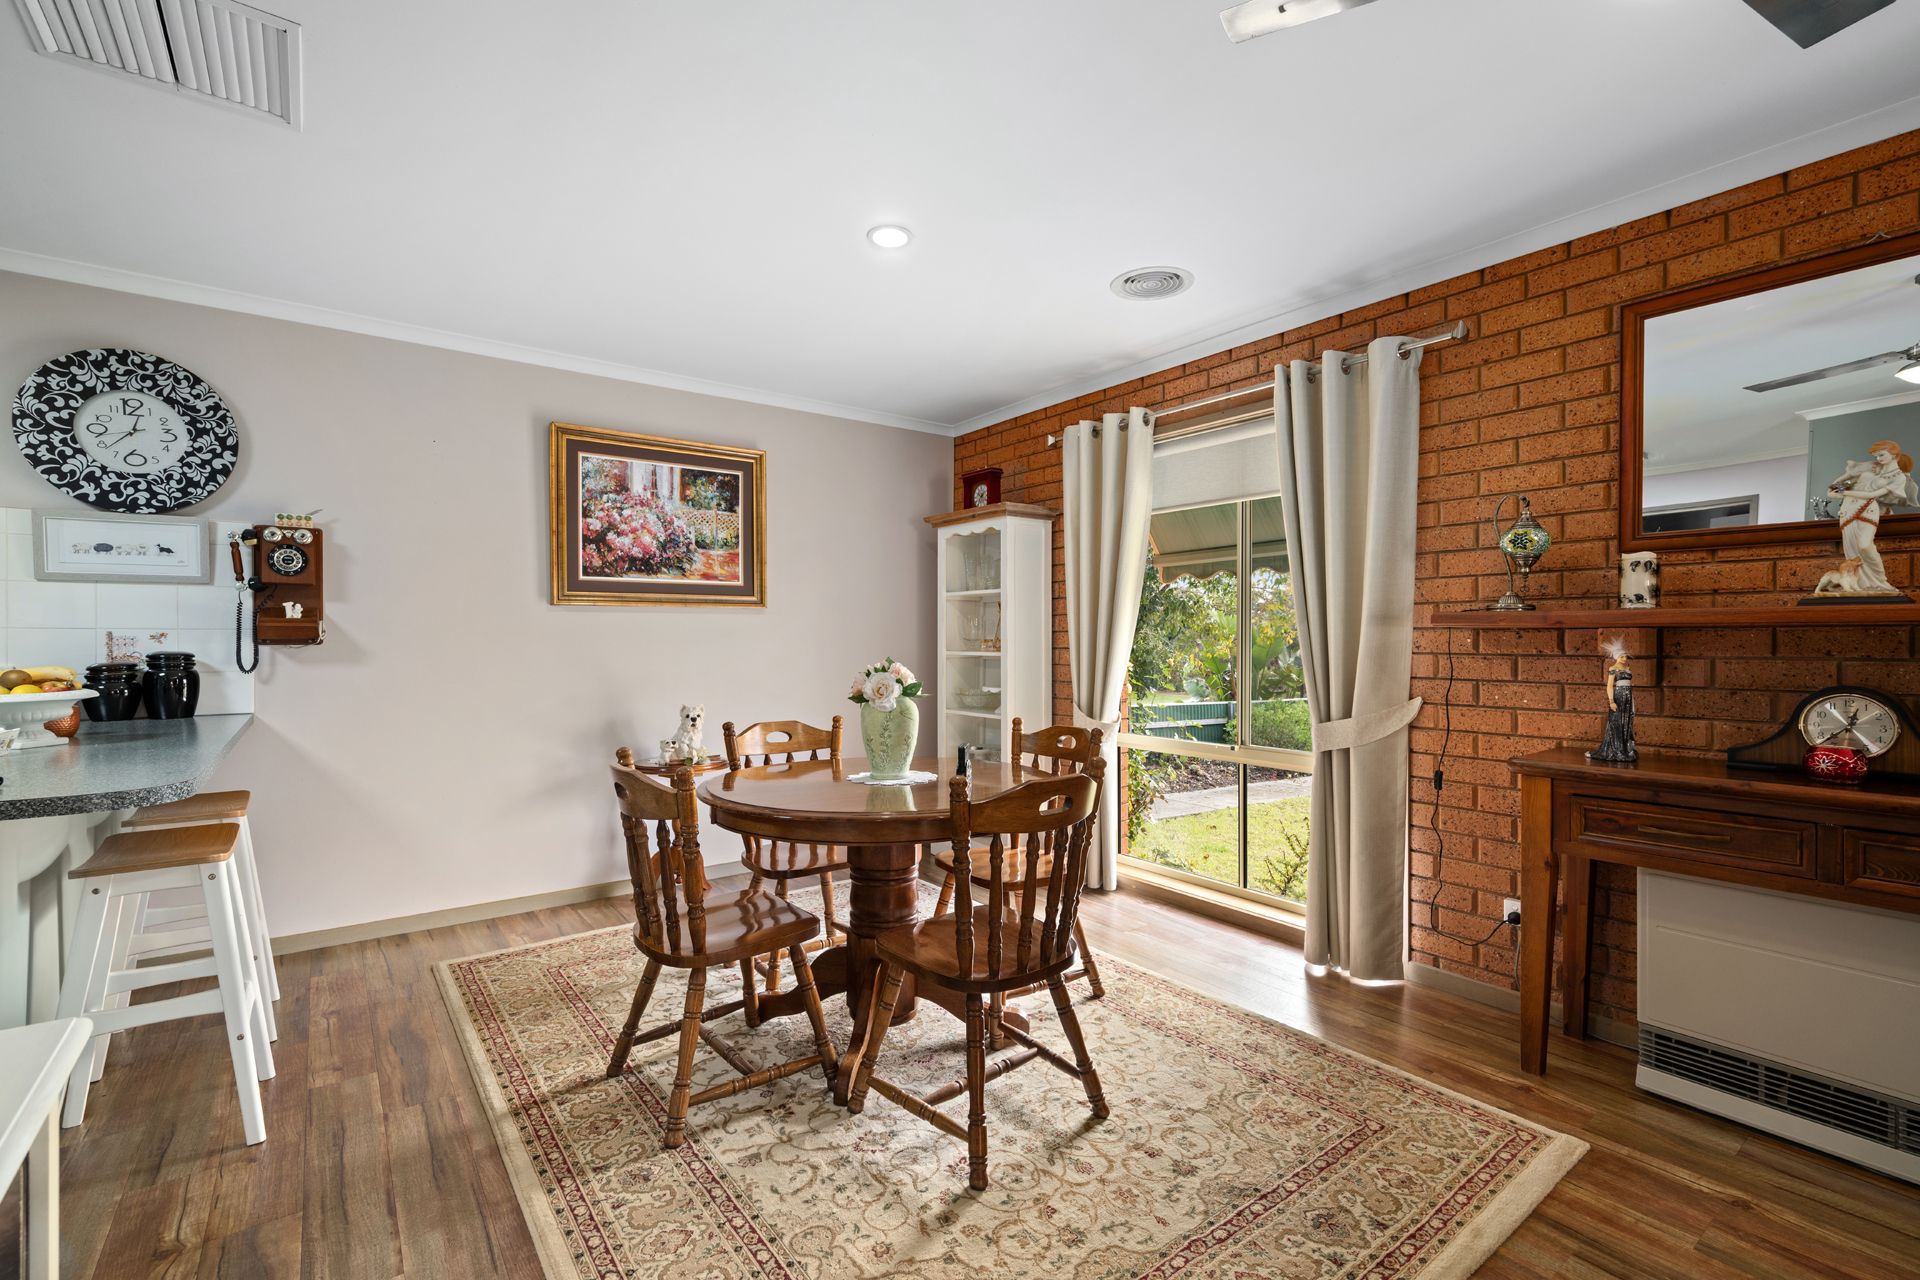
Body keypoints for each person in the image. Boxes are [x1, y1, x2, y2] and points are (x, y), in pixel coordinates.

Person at [1821, 441, 1918, 596]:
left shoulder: (1898, 477)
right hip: (1847, 510)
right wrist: (1847, 476)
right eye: (1876, 455)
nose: (1878, 458)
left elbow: (1871, 495)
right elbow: (1834, 488)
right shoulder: (1870, 467)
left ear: (1895, 455)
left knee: (1865, 545)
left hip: (1867, 508)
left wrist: (1845, 493)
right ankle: (1857, 583)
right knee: (1852, 552)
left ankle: (1880, 582)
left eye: (1881, 455)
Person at [1586, 639, 1635, 764]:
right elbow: (1609, 686)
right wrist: (1611, 701)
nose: (1624, 658)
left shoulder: (1627, 668)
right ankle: (1617, 749)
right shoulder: (1613, 668)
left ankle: (1625, 748)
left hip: (1628, 697)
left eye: (1625, 656)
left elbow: (1629, 685)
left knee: (1626, 721)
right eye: (1622, 656)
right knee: (1617, 722)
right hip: (1619, 696)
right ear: (1617, 657)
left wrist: (1632, 701)